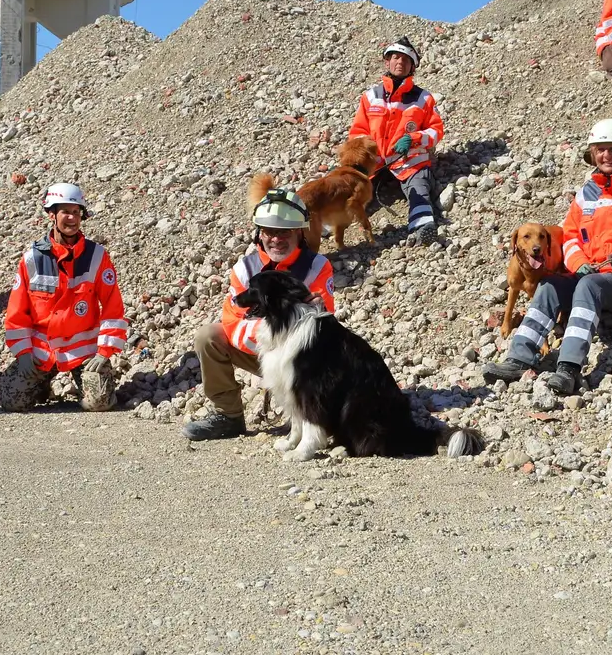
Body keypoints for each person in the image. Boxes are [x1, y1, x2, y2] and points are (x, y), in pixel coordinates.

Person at [481, 118, 612, 394]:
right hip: (592, 274)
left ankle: (569, 369)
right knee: (550, 285)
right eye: (600, 150)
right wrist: (578, 263)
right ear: (592, 154)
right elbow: (570, 236)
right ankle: (519, 358)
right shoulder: (586, 194)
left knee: (589, 285)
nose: (606, 156)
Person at [182, 184, 335, 440]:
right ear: (259, 233)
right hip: (262, 350)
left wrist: (285, 332)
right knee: (209, 337)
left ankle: (310, 415)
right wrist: (279, 330)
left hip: (302, 358)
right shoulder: (246, 269)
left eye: (284, 231)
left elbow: (320, 326)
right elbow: (233, 324)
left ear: (300, 231)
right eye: (269, 231)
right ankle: (228, 416)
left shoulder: (318, 267)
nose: (276, 238)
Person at [0, 182, 129, 412]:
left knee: (98, 403)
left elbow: (113, 307)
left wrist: (104, 351)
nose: (71, 218)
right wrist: (23, 353)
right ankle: (40, 386)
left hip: (84, 352)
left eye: (76, 212)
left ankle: (95, 384)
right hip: (43, 351)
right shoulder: (31, 258)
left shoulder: (97, 256)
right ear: (51, 214)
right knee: (12, 402)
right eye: (65, 212)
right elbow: (17, 312)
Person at [348, 36, 445, 246]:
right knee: (347, 189)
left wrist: (413, 138)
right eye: (395, 57)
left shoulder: (424, 98)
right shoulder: (370, 96)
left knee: (419, 186)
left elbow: (436, 131)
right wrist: (364, 152)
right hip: (375, 162)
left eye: (406, 59)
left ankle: (422, 227)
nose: (400, 62)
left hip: (409, 161)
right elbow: (358, 130)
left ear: (412, 67)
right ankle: (320, 224)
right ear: (387, 62)